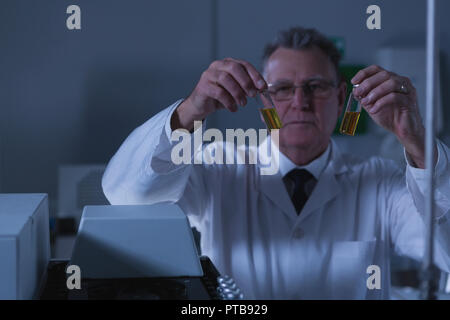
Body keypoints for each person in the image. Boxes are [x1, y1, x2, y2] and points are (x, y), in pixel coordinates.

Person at [102, 27, 450, 299]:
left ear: (342, 98)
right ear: (263, 100)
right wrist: (191, 109)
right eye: (283, 88)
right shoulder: (220, 166)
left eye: (316, 87)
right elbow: (127, 193)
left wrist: (418, 142)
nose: (300, 103)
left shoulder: (379, 182)